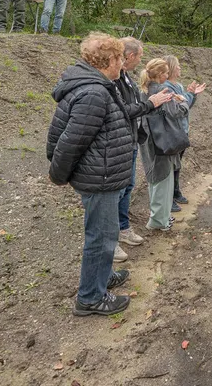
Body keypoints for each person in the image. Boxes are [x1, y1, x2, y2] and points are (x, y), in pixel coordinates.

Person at [47, 32, 134, 316]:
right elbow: (70, 141)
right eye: (120, 58)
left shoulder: (93, 86)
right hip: (100, 179)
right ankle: (91, 297)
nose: (122, 65)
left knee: (104, 234)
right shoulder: (94, 92)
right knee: (102, 237)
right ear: (109, 59)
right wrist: (58, 176)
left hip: (102, 174)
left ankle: (103, 275)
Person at [112, 38, 173, 263]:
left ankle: (123, 228)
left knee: (127, 187)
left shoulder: (125, 77)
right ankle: (111, 240)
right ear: (129, 56)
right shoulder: (113, 79)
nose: (141, 61)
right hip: (120, 142)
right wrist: (151, 103)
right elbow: (123, 110)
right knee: (116, 191)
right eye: (139, 56)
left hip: (131, 139)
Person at [138, 58, 188, 231]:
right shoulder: (162, 90)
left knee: (155, 178)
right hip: (162, 140)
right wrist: (184, 101)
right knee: (163, 179)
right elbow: (176, 112)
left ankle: (162, 216)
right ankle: (159, 221)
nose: (168, 75)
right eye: (166, 72)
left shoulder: (144, 90)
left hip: (148, 138)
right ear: (159, 74)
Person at [160, 55, 206, 212]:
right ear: (171, 67)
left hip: (182, 131)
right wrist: (189, 95)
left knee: (177, 165)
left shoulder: (178, 86)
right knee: (171, 166)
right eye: (178, 65)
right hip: (173, 133)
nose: (180, 68)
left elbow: (186, 106)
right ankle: (169, 198)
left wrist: (192, 95)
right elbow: (177, 108)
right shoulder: (166, 87)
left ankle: (176, 191)